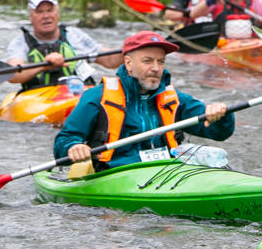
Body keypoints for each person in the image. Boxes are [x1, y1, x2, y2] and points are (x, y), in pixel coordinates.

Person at [54, 31, 234, 170]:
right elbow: (63, 142)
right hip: (114, 174)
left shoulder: (175, 99)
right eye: (147, 61)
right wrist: (74, 146)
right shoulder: (97, 97)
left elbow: (219, 133)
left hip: (166, 172)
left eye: (161, 61)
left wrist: (221, 115)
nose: (156, 68)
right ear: (129, 63)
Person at [5, 0, 123, 91]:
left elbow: (109, 60)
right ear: (30, 16)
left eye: (50, 10)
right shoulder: (20, 42)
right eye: (39, 12)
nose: (46, 16)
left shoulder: (74, 35)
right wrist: (43, 66)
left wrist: (130, 48)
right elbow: (13, 74)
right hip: (39, 100)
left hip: (76, 96)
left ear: (58, 13)